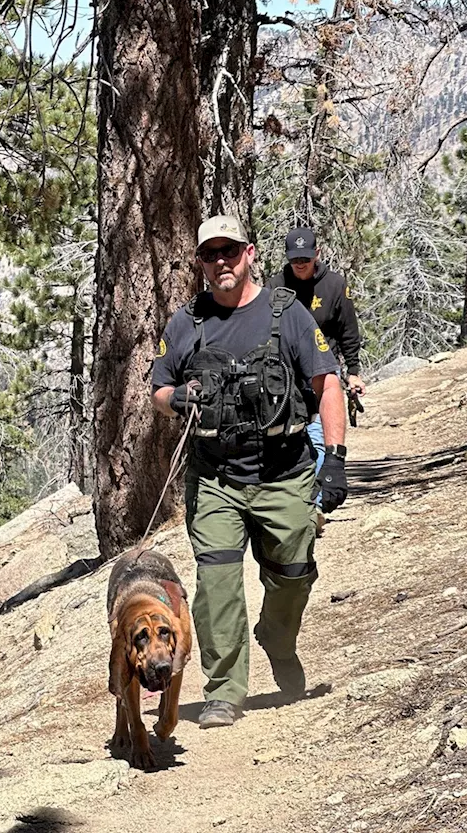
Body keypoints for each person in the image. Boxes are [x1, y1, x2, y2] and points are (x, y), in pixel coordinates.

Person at [149, 215, 349, 729]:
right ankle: (224, 690)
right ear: (199, 261)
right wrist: (180, 399)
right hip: (215, 476)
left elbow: (327, 384)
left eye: (230, 252)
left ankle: (278, 640)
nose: (221, 262)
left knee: (293, 570)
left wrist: (336, 458)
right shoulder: (184, 323)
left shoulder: (289, 316)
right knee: (217, 581)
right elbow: (159, 392)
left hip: (285, 473)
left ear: (250, 253)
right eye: (210, 254)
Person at [266, 227, 364, 496]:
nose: (300, 264)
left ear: (317, 254)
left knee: (320, 439)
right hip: (286, 378)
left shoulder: (335, 285)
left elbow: (348, 331)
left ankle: (317, 502)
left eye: (305, 259)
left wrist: (352, 372)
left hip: (323, 373)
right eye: (295, 259)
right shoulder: (275, 287)